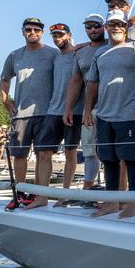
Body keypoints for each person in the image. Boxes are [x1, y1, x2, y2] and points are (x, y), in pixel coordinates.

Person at [83, 9, 135, 218]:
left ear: (126, 27)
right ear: (107, 27)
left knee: (131, 159)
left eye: (120, 24)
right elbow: (92, 84)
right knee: (109, 160)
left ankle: (133, 203)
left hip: (129, 114)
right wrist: (88, 110)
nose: (116, 28)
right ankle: (113, 202)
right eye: (112, 24)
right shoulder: (99, 53)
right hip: (104, 115)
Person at [0, 17, 57, 209]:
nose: (32, 32)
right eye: (28, 29)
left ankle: (41, 195)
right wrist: (6, 101)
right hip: (21, 114)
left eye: (36, 30)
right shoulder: (15, 55)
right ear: (23, 32)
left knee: (44, 154)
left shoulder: (53, 54)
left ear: (42, 32)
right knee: (20, 154)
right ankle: (20, 193)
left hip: (46, 112)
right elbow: (5, 78)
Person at [35, 23, 83, 207]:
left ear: (69, 35)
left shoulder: (78, 53)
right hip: (53, 111)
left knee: (70, 153)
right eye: (54, 36)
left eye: (61, 35)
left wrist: (79, 45)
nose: (57, 39)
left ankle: (64, 195)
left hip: (75, 111)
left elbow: (96, 42)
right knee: (43, 152)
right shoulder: (54, 57)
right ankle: (42, 195)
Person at [64, 13, 107, 191]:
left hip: (112, 107)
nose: (93, 30)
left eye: (96, 26)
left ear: (104, 27)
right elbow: (75, 81)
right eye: (88, 27)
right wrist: (68, 108)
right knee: (89, 151)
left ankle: (121, 194)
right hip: (89, 109)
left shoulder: (114, 45)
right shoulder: (80, 53)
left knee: (115, 153)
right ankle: (88, 189)